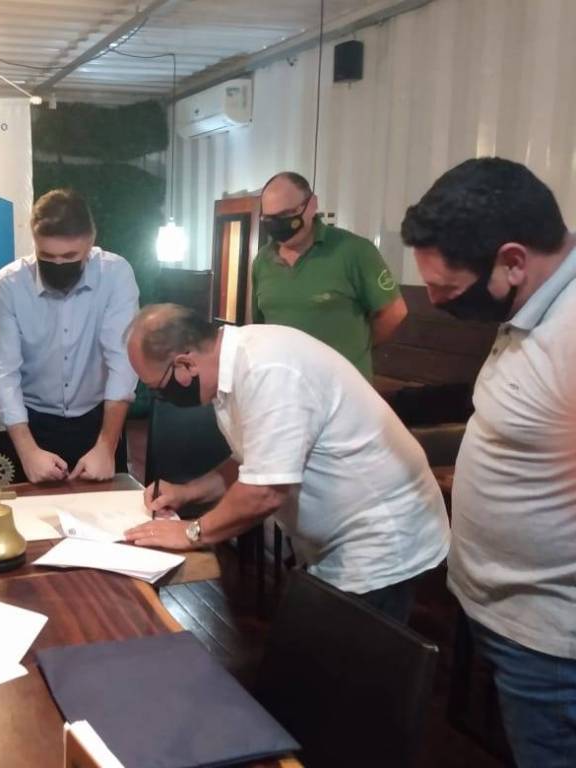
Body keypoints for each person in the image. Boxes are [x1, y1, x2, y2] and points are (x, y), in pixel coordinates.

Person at [401, 157, 576, 767]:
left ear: (513, 261)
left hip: (552, 642)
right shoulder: (532, 305)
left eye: (448, 291)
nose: (434, 301)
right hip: (509, 618)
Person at [124, 304, 449, 622]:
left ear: (185, 364)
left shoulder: (268, 370)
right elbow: (252, 464)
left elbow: (264, 492)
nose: (161, 398)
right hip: (340, 542)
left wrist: (191, 532)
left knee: (353, 653)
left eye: (158, 388)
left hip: (380, 538)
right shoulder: (234, 368)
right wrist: (186, 493)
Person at [0, 189, 139, 483]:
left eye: (70, 256)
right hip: (31, 422)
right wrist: (27, 451)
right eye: (47, 256)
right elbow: (4, 371)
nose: (58, 264)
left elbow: (122, 361)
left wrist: (106, 446)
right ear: (34, 241)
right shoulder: (8, 285)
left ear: (91, 242)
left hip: (99, 419)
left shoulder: (115, 274)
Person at [252, 171, 408, 380]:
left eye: (287, 214)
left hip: (343, 388)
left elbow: (394, 312)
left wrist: (356, 348)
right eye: (269, 218)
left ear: (312, 205)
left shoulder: (355, 251)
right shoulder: (262, 261)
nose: (278, 225)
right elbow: (261, 324)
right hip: (284, 387)